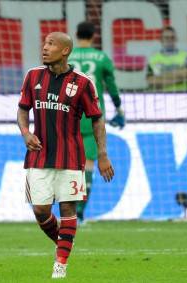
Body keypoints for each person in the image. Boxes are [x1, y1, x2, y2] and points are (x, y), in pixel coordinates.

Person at [17, 31, 114, 279]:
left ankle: (60, 265)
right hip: (39, 156)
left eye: (51, 44)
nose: (45, 47)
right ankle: (64, 240)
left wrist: (102, 155)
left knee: (68, 208)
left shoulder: (82, 83)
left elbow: (97, 119)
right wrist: (26, 132)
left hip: (70, 157)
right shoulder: (33, 76)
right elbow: (22, 110)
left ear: (65, 50)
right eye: (44, 43)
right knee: (40, 210)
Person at [68, 21, 125, 224]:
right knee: (88, 165)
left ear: (76, 34)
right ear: (93, 36)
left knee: (66, 165)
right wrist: (119, 109)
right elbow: (111, 87)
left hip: (66, 114)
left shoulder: (66, 56)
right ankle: (80, 213)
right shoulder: (101, 58)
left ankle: (63, 210)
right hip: (91, 115)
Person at [146, 26, 187, 92]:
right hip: (160, 96)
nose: (170, 40)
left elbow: (185, 74)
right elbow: (150, 80)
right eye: (166, 38)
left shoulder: (186, 56)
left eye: (172, 37)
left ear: (176, 39)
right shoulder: (153, 59)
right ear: (161, 40)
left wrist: (159, 77)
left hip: (181, 95)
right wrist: (178, 78)